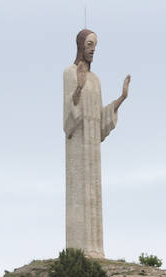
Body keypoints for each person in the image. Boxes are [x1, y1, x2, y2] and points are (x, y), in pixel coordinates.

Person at [63, 29, 131, 256]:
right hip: (77, 147)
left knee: (94, 194)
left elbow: (101, 119)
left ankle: (95, 251)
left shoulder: (96, 80)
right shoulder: (70, 73)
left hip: (92, 145)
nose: (93, 50)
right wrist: (79, 88)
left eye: (95, 46)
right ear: (80, 45)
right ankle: (77, 252)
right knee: (79, 194)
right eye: (89, 44)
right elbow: (69, 115)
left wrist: (120, 99)